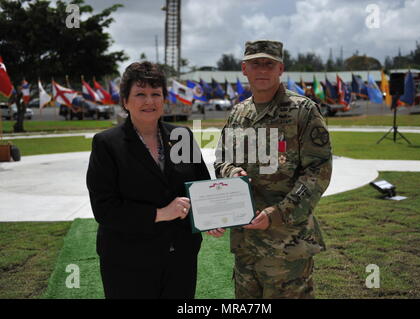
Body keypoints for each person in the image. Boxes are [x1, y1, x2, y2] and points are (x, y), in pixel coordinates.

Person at [210, 40, 332, 299]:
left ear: (281, 69)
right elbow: (221, 159)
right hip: (245, 245)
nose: (262, 69)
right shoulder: (238, 113)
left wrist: (278, 213)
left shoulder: (303, 111)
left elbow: (318, 171)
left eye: (269, 63)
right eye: (256, 63)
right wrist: (231, 172)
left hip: (287, 246)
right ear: (244, 69)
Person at [86, 61, 211, 299]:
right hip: (128, 261)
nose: (149, 101)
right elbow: (104, 209)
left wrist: (210, 216)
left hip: (180, 260)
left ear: (164, 99)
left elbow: (200, 188)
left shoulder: (181, 136)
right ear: (125, 100)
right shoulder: (106, 144)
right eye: (140, 94)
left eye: (156, 94)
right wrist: (161, 213)